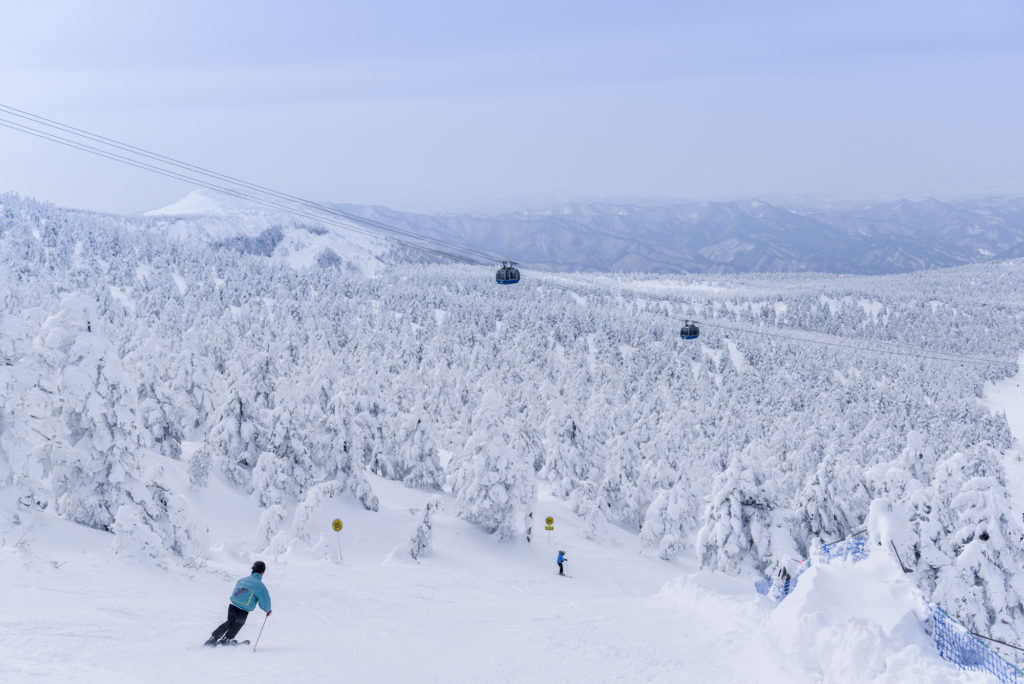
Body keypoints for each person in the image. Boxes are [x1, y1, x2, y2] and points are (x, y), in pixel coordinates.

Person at [205, 561, 272, 646]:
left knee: (229, 622)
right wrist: (267, 609)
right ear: (262, 572)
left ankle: (213, 638)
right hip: (243, 610)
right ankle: (226, 639)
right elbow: (264, 599)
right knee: (238, 623)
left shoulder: (242, 580)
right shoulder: (260, 585)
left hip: (233, 605)